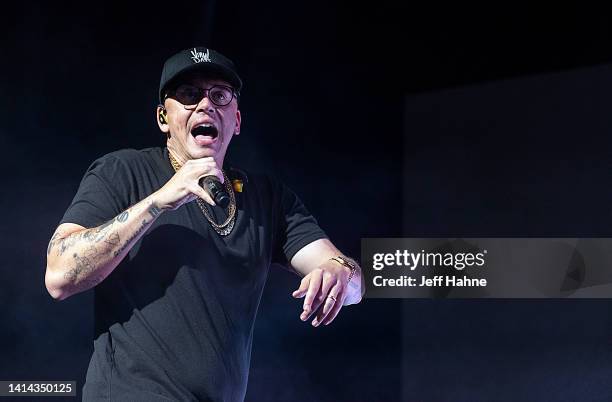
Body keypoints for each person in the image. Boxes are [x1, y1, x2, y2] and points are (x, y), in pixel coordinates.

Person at [44, 46, 364, 401]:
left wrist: (339, 274)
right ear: (163, 118)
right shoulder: (122, 172)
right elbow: (59, 276)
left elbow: (352, 283)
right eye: (189, 94)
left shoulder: (267, 199)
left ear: (237, 120)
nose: (206, 105)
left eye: (220, 95)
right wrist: (159, 201)